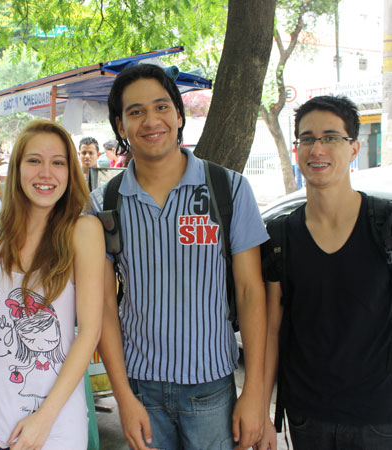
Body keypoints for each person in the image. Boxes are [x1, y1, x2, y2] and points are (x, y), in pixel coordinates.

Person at [90, 64, 268, 450]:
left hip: (212, 387)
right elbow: (102, 303)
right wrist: (123, 397)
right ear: (120, 127)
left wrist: (254, 392)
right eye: (135, 112)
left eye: (161, 107)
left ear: (179, 115)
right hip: (140, 389)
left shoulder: (229, 189)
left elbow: (251, 291)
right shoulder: (103, 204)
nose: (151, 121)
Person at [0, 120, 104, 450]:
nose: (46, 173)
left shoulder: (84, 230)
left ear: (70, 170)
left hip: (55, 416)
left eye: (58, 162)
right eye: (34, 160)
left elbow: (90, 333)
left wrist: (45, 418)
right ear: (17, 167)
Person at [257, 95, 392, 450]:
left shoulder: (386, 223)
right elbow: (272, 329)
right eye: (307, 138)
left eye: (331, 137)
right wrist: (262, 413)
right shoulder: (280, 235)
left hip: (380, 419)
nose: (317, 149)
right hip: (307, 418)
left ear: (353, 148)